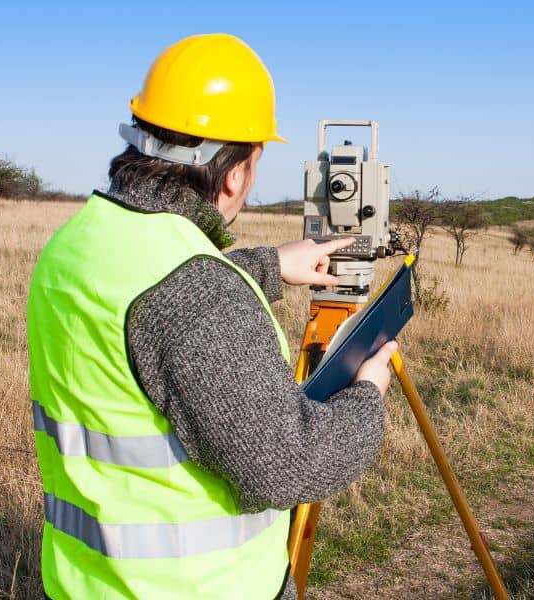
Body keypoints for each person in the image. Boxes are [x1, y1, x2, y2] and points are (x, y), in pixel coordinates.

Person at [27, 33, 397, 600]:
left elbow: (153, 306)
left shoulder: (74, 245)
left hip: (83, 582)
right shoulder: (196, 293)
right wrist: (369, 393)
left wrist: (270, 265)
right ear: (234, 173)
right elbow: (290, 466)